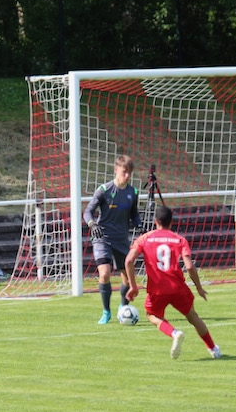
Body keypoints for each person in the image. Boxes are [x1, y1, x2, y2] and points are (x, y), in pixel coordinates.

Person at [125, 205, 221, 359]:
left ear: (155, 221)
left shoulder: (145, 238)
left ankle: (174, 332)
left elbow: (129, 260)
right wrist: (199, 288)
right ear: (171, 222)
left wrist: (133, 286)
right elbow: (189, 266)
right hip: (178, 288)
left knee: (151, 314)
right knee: (193, 317)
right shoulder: (179, 240)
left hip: (156, 289)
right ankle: (213, 349)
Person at [84, 154, 141, 324]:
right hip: (103, 238)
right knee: (105, 273)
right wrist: (92, 224)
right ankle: (106, 311)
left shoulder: (133, 192)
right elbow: (87, 211)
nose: (127, 176)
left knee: (127, 278)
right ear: (116, 170)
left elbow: (134, 215)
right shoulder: (104, 190)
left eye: (130, 172)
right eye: (124, 172)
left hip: (122, 239)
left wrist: (139, 225)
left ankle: (123, 308)